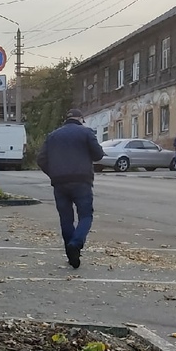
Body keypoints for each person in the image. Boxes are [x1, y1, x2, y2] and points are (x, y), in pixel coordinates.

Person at [36, 108, 104, 269]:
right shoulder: (86, 132)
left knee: (66, 219)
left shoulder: (53, 135)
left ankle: (70, 253)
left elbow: (41, 159)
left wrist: (53, 173)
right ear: (80, 119)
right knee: (86, 216)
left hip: (59, 182)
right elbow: (98, 155)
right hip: (82, 181)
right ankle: (76, 243)